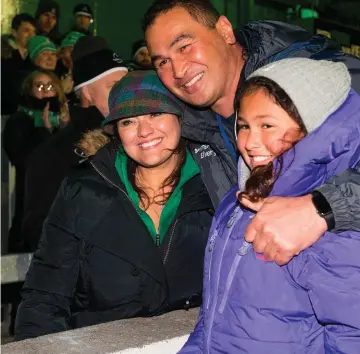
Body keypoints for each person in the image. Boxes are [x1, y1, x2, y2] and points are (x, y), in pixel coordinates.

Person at [143, 0, 360, 266]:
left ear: (224, 30)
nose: (177, 70)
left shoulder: (320, 78)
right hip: (285, 301)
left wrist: (323, 208)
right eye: (162, 61)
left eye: (184, 46)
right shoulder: (190, 129)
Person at [179, 58, 360, 353]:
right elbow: (212, 320)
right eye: (245, 126)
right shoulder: (235, 204)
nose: (250, 141)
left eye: (267, 125)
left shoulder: (327, 225)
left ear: (311, 129)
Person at [14, 71, 213, 341]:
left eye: (156, 113)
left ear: (181, 117)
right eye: (129, 121)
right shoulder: (83, 191)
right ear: (116, 130)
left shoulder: (215, 185)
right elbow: (45, 295)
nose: (144, 131)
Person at [21, 36, 127, 252]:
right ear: (87, 92)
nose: (124, 95)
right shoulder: (52, 154)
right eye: (114, 87)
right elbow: (38, 232)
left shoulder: (141, 142)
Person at [3, 69, 69, 252]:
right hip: (31, 200)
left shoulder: (65, 121)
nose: (45, 91)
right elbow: (20, 156)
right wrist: (44, 132)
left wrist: (65, 132)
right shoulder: (18, 120)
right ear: (29, 90)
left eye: (50, 86)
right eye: (39, 86)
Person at [1, 13, 37, 115]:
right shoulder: (3, 55)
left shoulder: (32, 55)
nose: (31, 35)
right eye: (26, 31)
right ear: (14, 32)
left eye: (33, 32)